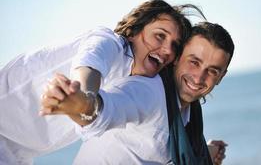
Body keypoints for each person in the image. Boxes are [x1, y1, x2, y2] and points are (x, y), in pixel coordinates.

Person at [0, 0, 192, 164]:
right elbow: (89, 64)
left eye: (174, 45)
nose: (167, 50)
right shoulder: (110, 42)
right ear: (133, 31)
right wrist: (84, 96)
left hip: (18, 154)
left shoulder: (138, 84)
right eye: (160, 36)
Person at [41, 21, 234, 164]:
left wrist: (207, 151)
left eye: (212, 71)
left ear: (221, 77)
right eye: (194, 62)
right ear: (177, 58)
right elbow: (105, 110)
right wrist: (79, 104)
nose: (199, 77)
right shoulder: (149, 91)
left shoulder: (188, 115)